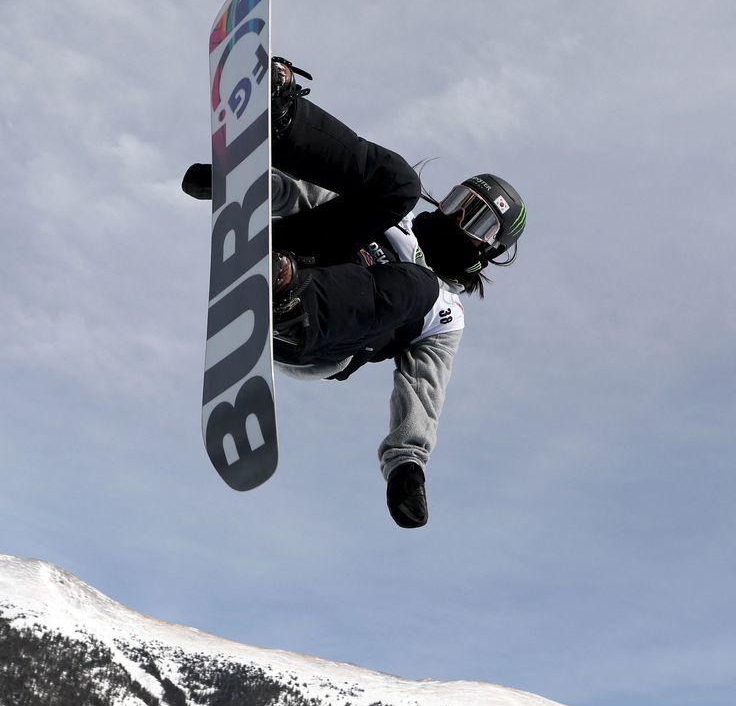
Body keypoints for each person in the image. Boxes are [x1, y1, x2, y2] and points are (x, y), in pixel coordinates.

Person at [184, 58, 526, 528]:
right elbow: (308, 196)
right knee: (400, 183)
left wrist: (407, 465)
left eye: (477, 221)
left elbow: (423, 389)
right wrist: (236, 186)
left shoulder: (445, 312)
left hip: (314, 329)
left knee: (419, 285)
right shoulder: (399, 216)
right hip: (293, 252)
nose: (456, 219)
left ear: (488, 249)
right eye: (459, 204)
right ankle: (283, 117)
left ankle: (288, 297)